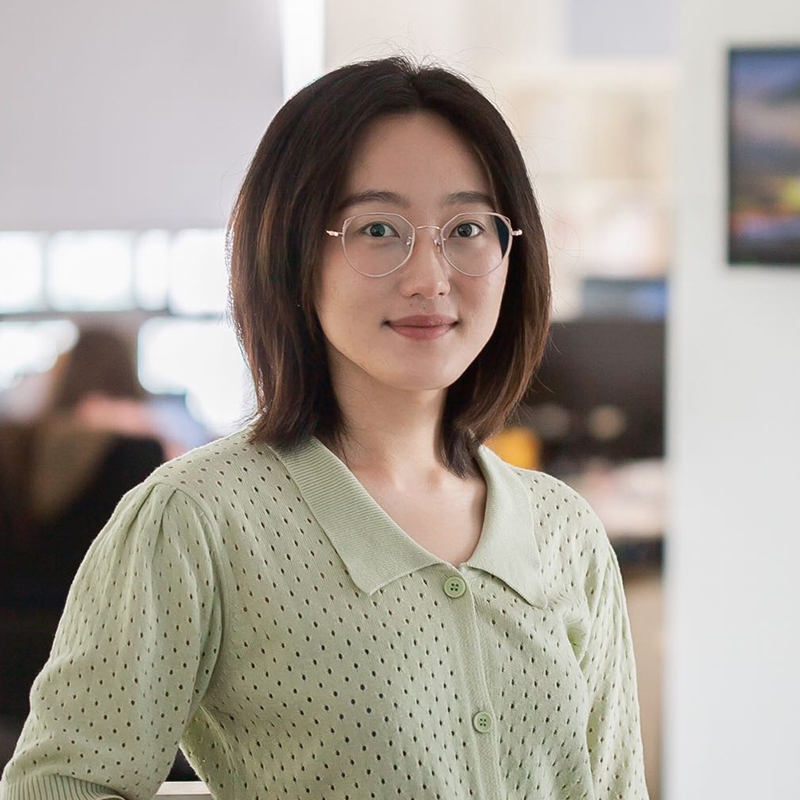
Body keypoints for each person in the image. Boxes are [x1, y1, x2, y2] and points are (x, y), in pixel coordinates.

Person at [0, 55, 650, 800]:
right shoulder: (201, 520)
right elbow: (63, 784)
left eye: (467, 227)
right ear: (294, 252)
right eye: (379, 228)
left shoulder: (564, 530)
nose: (430, 276)